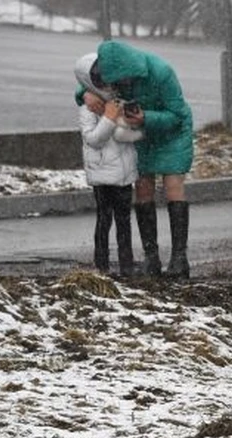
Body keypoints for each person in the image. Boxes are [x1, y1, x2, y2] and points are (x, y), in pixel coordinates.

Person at [76, 40, 195, 278]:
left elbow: (177, 114)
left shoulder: (162, 72)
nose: (117, 85)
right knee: (143, 187)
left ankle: (179, 259)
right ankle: (151, 257)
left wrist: (146, 117)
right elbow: (94, 86)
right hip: (140, 134)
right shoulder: (116, 75)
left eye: (120, 82)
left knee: (173, 186)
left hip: (171, 132)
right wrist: (83, 94)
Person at [74, 52, 141, 276]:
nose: (107, 83)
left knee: (124, 220)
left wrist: (125, 121)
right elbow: (93, 139)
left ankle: (126, 266)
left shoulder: (119, 101)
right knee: (104, 219)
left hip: (124, 173)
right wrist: (109, 118)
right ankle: (101, 265)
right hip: (102, 174)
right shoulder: (87, 108)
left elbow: (132, 136)